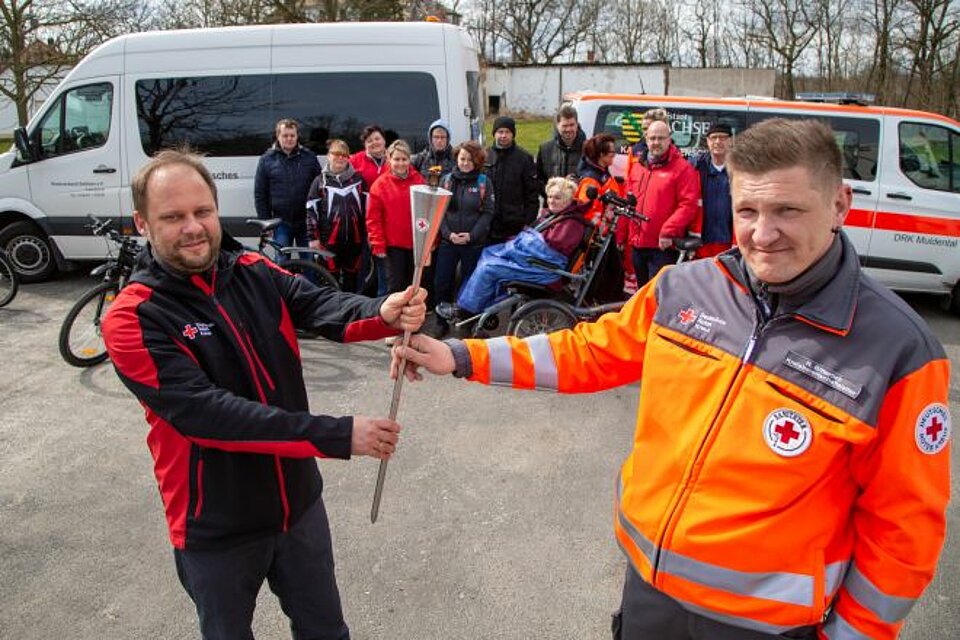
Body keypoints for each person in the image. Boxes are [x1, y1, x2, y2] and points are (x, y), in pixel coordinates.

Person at [392, 118, 951, 640]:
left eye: (788, 211)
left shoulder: (899, 349)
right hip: (649, 596)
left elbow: (903, 532)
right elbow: (589, 351)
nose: (762, 234)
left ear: (840, 205)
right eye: (748, 210)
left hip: (764, 626)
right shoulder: (684, 288)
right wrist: (460, 356)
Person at [101, 148, 427, 640]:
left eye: (202, 211)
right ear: (142, 224)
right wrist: (337, 435)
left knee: (327, 632)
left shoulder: (251, 269)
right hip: (216, 526)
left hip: (297, 505)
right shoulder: (133, 317)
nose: (193, 227)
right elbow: (210, 416)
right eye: (172, 217)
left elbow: (319, 303)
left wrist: (383, 309)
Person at [437, 176, 589, 317]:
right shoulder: (556, 215)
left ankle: (466, 310)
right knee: (487, 253)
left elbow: (547, 250)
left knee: (489, 267)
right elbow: (534, 239)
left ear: (569, 199)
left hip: (545, 270)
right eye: (549, 197)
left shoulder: (572, 223)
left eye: (558, 198)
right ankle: (478, 305)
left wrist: (516, 245)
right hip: (535, 262)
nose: (551, 201)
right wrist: (518, 242)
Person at [626, 120, 701, 287]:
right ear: (646, 139)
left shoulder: (682, 169)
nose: (656, 142)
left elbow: (688, 205)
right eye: (652, 138)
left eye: (661, 138)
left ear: (669, 140)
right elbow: (629, 200)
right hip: (637, 244)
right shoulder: (638, 166)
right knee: (640, 294)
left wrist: (668, 231)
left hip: (662, 247)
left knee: (658, 296)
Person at [433, 141, 493, 309]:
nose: (465, 163)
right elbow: (439, 211)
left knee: (471, 284)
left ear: (477, 162)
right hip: (448, 243)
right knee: (442, 283)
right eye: (462, 159)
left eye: (470, 160)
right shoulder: (446, 181)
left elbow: (488, 212)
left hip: (473, 244)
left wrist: (471, 236)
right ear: (456, 159)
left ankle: (468, 319)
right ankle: (441, 320)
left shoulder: (483, 182)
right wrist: (448, 234)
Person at [365, 139, 427, 294]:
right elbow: (373, 219)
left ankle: (414, 317)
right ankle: (394, 317)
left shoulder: (419, 180)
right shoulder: (380, 185)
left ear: (409, 160)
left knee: (415, 285)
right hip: (393, 247)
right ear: (389, 159)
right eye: (397, 159)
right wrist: (378, 244)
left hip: (416, 244)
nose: (401, 163)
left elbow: (427, 212)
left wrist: (431, 240)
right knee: (396, 286)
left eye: (404, 159)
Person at [306, 139, 366, 291]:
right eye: (336, 154)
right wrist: (313, 238)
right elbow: (311, 211)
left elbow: (369, 210)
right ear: (328, 156)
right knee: (329, 282)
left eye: (344, 155)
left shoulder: (358, 180)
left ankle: (351, 312)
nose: (340, 158)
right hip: (329, 243)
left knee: (351, 282)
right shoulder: (320, 181)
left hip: (355, 242)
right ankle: (332, 313)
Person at [254, 118, 320, 254]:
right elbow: (261, 193)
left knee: (309, 263)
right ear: (278, 136)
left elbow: (320, 189)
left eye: (292, 135)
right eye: (285, 135)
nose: (289, 139)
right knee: (281, 263)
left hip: (306, 222)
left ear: (297, 137)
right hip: (280, 222)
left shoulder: (309, 158)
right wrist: (266, 222)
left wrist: (318, 220)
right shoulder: (267, 159)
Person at [485, 116, 540, 245]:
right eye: (500, 132)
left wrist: (526, 223)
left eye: (507, 132)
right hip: (489, 226)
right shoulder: (485, 156)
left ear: (513, 134)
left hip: (514, 227)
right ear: (494, 133)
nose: (503, 136)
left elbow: (532, 194)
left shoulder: (524, 158)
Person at [351, 124, 390, 295]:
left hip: (387, 221)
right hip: (361, 221)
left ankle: (382, 300)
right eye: (369, 140)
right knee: (362, 264)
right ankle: (359, 300)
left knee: (384, 266)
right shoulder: (356, 160)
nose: (374, 143)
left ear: (384, 140)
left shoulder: (394, 158)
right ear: (364, 144)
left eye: (377, 138)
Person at [575, 133, 625, 224]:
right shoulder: (591, 180)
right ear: (601, 154)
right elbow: (587, 213)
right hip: (596, 233)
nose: (614, 155)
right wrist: (601, 228)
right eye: (612, 152)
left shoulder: (603, 172)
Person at [536, 103, 586, 192]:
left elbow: (593, 178)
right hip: (552, 203)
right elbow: (538, 179)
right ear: (557, 125)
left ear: (577, 124)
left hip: (579, 203)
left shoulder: (589, 149)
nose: (568, 129)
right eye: (565, 126)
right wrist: (551, 191)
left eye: (572, 125)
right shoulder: (545, 149)